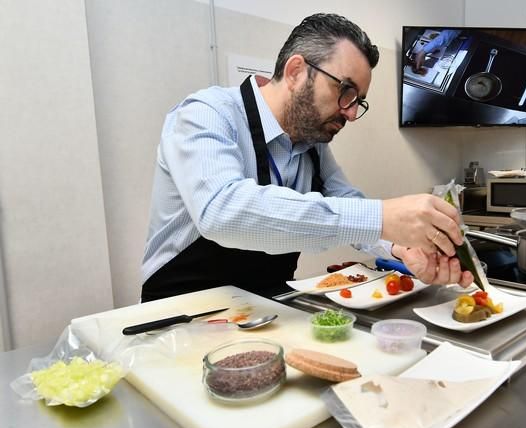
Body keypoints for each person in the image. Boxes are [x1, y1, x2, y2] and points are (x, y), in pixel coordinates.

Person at [140, 13, 473, 302]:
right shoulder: (207, 113)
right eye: (346, 91)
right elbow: (222, 213)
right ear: (297, 70)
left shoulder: (312, 144)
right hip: (180, 315)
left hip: (267, 310)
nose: (352, 113)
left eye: (359, 101)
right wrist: (383, 216)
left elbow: (348, 203)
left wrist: (400, 247)